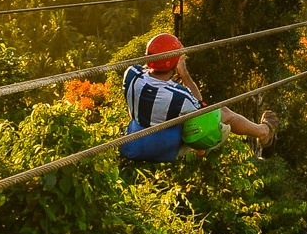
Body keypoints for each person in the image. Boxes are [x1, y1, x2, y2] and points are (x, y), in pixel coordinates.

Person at [117, 32, 276, 162]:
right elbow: (203, 109)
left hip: (133, 140)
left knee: (182, 115)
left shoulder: (131, 75)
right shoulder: (178, 96)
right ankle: (263, 133)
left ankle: (200, 151)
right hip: (159, 146)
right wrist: (184, 73)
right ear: (176, 63)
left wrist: (165, 58)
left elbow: (145, 68)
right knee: (223, 112)